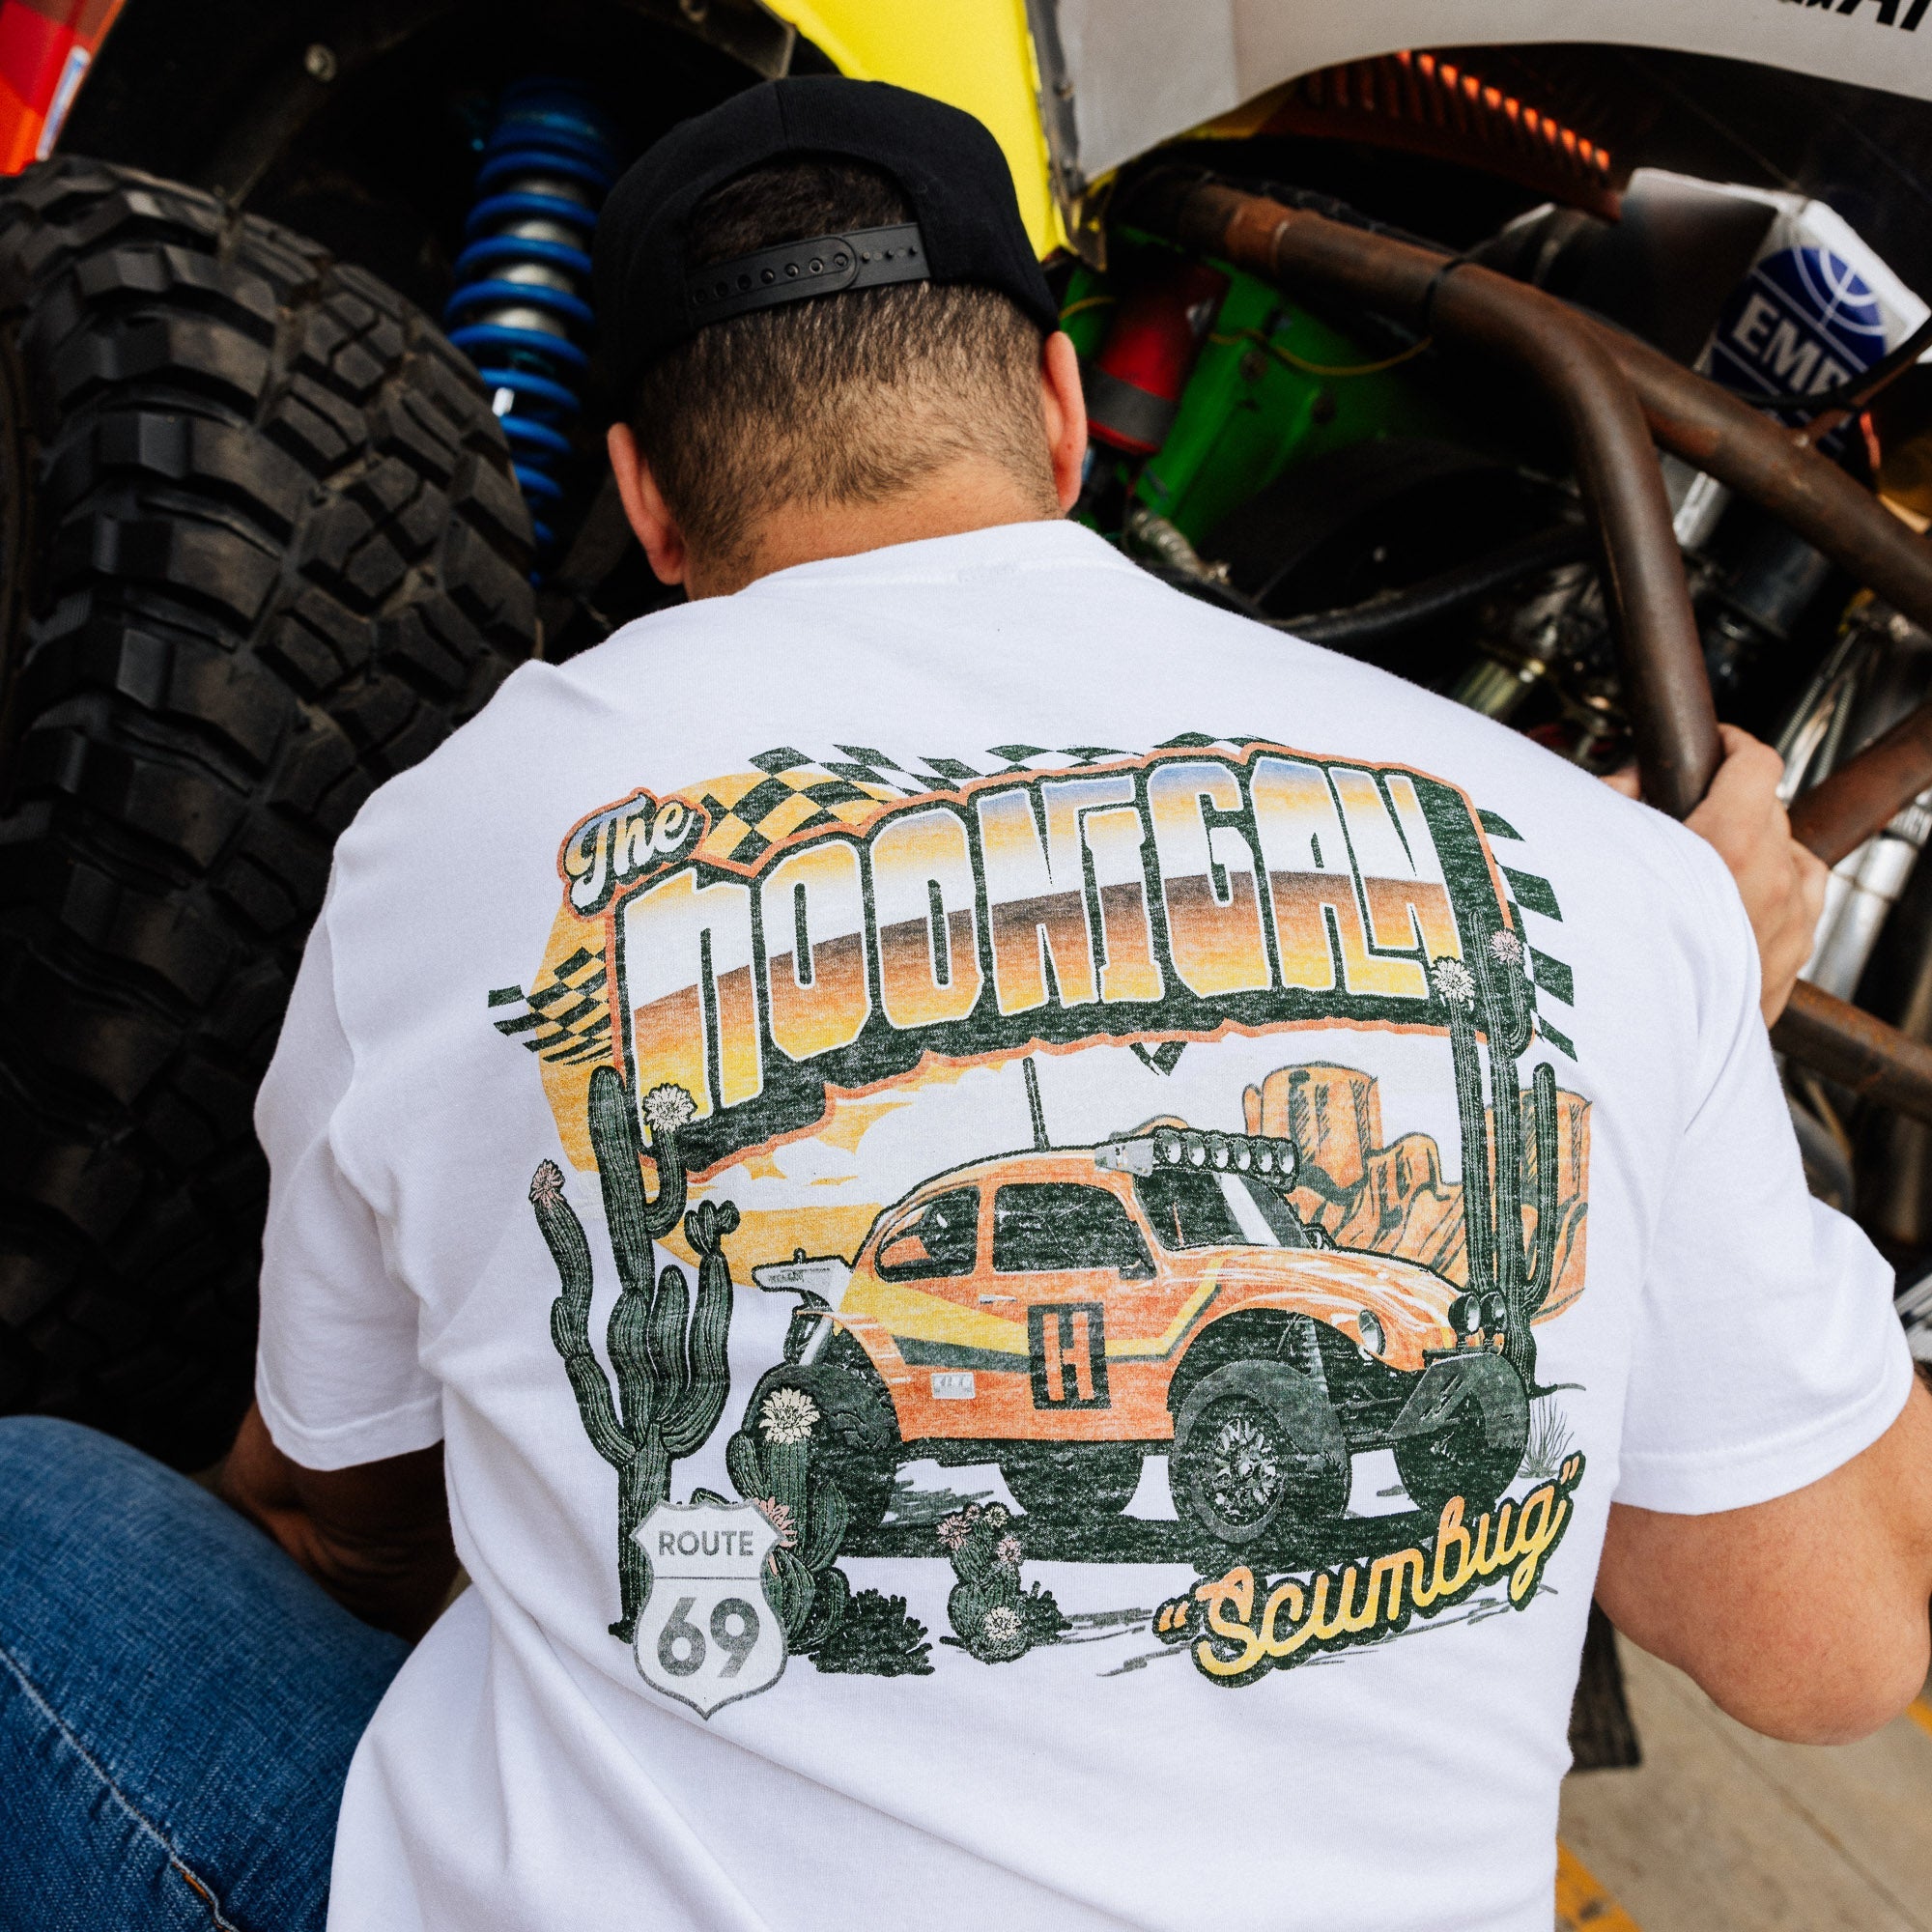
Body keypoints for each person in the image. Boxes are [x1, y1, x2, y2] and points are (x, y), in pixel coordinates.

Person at [2, 72, 1927, 1932]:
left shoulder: (450, 827)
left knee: (40, 1509)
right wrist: (1693, 1005)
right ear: (1063, 414)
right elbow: (1836, 1651)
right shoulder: (1604, 877)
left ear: (647, 504)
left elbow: (337, 1517)